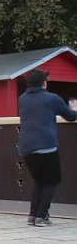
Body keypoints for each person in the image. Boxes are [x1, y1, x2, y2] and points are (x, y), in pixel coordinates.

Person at [18, 68, 77, 226]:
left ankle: (33, 215)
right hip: (46, 146)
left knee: (39, 180)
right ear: (44, 83)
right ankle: (42, 216)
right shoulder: (52, 98)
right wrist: (75, 108)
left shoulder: (22, 99)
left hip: (26, 147)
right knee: (52, 180)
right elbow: (70, 117)